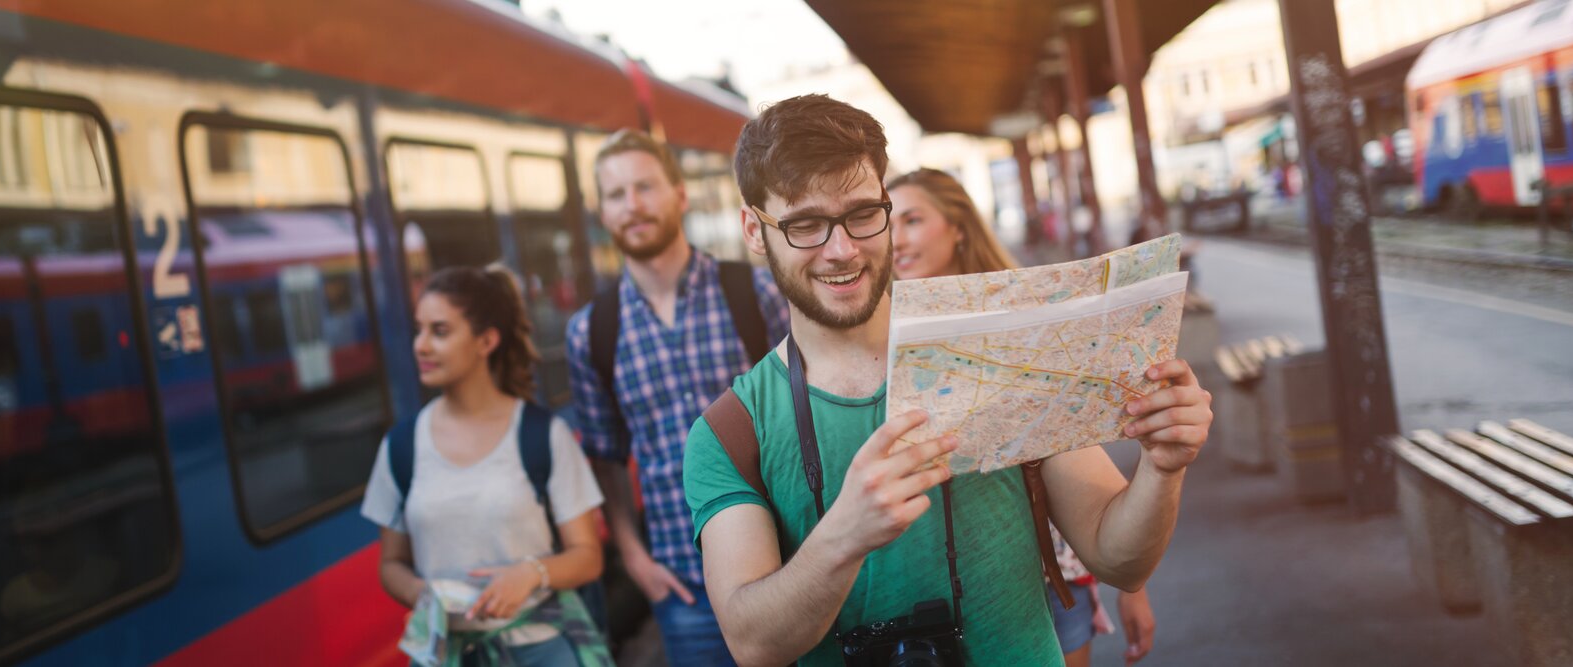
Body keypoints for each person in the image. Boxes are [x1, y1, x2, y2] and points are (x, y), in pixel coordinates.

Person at [682, 94, 1213, 666]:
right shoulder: (729, 433)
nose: (842, 250)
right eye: (806, 225)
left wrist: (1162, 468)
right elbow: (752, 642)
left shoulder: (1004, 351)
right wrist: (847, 533)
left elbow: (1119, 559)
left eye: (863, 214)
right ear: (754, 231)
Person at [887, 167, 1156, 666]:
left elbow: (1073, 438)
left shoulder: (1023, 317)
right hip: (948, 583)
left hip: (1054, 566)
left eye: (913, 220)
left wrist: (1133, 586)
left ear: (958, 227)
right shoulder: (879, 336)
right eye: (888, 223)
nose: (896, 239)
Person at [564, 129, 791, 666]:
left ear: (680, 195)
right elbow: (606, 456)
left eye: (645, 186)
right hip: (683, 590)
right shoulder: (591, 331)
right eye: (616, 195)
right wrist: (635, 558)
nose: (633, 205)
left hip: (784, 564)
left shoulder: (754, 293)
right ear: (602, 211)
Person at [362, 266, 614, 666]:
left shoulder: (543, 436)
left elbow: (588, 556)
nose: (421, 346)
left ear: (486, 340)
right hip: (445, 656)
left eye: (440, 331)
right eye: (419, 330)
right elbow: (391, 564)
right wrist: (422, 595)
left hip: (540, 651)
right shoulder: (401, 445)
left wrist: (531, 574)